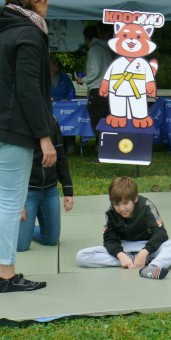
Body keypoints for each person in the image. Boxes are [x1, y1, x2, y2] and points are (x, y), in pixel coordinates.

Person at [0, 0, 56, 293]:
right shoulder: (29, 34)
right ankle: (5, 274)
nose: (48, 4)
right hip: (14, 129)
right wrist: (44, 136)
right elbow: (28, 88)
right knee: (10, 204)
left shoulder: (5, 29)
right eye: (44, 0)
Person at [76, 177, 171, 280]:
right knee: (81, 256)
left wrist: (144, 252)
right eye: (116, 204)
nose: (122, 208)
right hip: (124, 248)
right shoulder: (111, 212)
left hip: (147, 247)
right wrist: (121, 255)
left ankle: (153, 266)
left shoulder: (146, 206)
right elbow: (109, 239)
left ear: (135, 198)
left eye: (126, 203)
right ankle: (132, 261)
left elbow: (160, 234)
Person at [18, 114, 74, 252]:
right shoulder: (16, 122)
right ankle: (10, 226)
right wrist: (17, 201)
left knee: (51, 240)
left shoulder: (52, 120)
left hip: (49, 190)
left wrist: (68, 190)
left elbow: (60, 155)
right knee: (21, 246)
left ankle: (24, 228)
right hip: (26, 192)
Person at [76, 23, 112, 155]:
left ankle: (103, 150)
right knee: (106, 120)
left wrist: (82, 79)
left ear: (87, 38)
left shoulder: (94, 50)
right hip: (108, 90)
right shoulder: (106, 49)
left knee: (98, 121)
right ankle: (107, 148)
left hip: (97, 90)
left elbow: (94, 72)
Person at [49, 56, 77, 154]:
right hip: (49, 107)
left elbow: (71, 90)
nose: (57, 64)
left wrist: (68, 98)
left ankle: (70, 146)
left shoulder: (64, 76)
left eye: (57, 62)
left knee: (67, 123)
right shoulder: (43, 77)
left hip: (64, 106)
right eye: (53, 62)